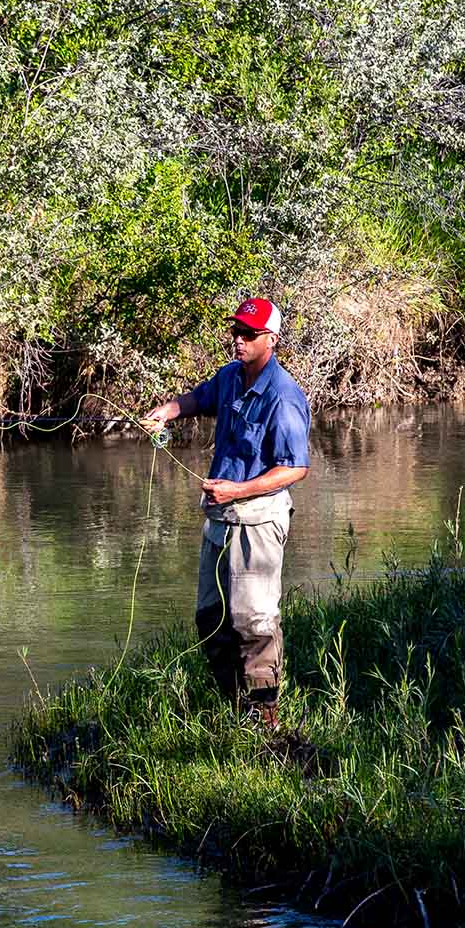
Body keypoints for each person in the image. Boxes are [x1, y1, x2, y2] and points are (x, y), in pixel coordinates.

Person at [142, 297, 311, 729]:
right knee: (210, 618)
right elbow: (202, 397)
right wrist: (169, 411)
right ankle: (237, 711)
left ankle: (267, 720)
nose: (238, 339)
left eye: (248, 334)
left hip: (258, 520)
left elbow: (295, 467)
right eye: (235, 331)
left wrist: (239, 489)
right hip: (220, 519)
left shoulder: (283, 396)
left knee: (253, 623)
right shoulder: (231, 377)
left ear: (270, 339)